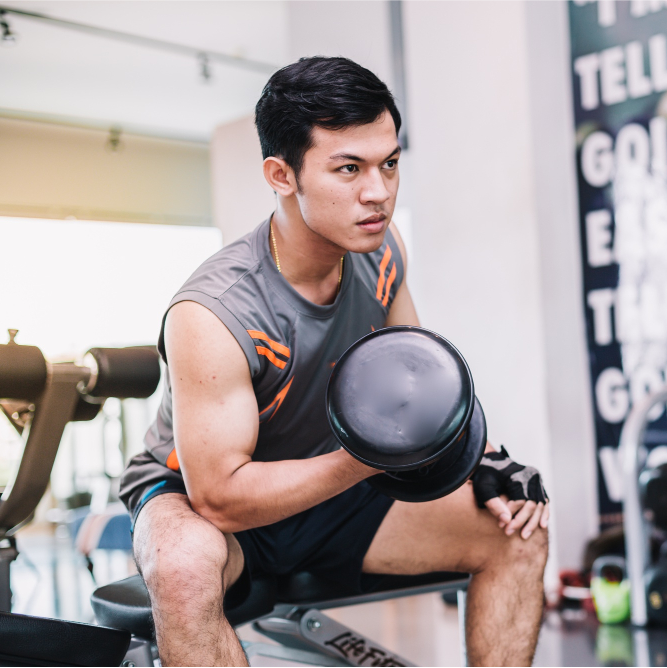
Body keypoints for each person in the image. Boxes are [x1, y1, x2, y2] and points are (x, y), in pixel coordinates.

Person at [119, 56, 549, 667]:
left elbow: (418, 388)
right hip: (203, 497)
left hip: (330, 476)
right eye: (348, 168)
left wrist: (483, 461)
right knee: (184, 566)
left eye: (389, 163)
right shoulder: (212, 312)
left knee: (516, 532)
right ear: (282, 174)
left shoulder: (382, 249)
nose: (378, 192)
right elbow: (219, 497)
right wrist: (371, 457)